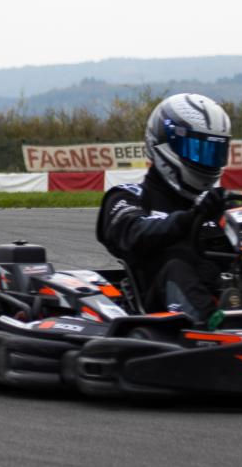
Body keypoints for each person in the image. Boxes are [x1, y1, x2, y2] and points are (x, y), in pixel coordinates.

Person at [96, 93, 232, 326]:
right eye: (197, 149)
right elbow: (132, 234)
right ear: (163, 143)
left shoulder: (216, 206)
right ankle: (218, 331)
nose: (206, 160)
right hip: (159, 312)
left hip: (226, 298)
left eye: (213, 151)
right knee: (177, 268)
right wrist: (189, 219)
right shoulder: (128, 196)